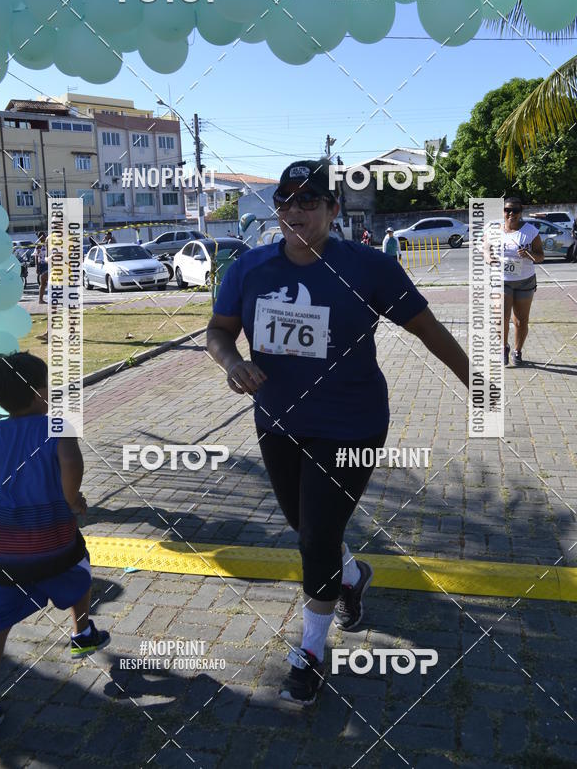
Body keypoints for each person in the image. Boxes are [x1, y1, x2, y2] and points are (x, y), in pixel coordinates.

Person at [207, 158, 469, 706]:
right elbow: (219, 332)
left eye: (308, 200)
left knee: (316, 538)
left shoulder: (370, 267)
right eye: (285, 201)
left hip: (351, 423)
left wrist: (479, 384)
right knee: (305, 525)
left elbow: (428, 329)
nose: (295, 210)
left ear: (332, 208)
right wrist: (232, 363)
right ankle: (351, 576)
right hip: (278, 422)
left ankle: (309, 652)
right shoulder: (249, 269)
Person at [0, 353, 110, 733]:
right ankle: (82, 632)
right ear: (39, 391)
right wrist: (72, 500)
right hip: (53, 543)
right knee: (80, 564)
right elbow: (71, 461)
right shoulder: (57, 425)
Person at [487, 197, 544, 367]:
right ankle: (503, 347)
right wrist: (488, 258)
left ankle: (517, 351)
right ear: (502, 212)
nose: (511, 213)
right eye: (507, 210)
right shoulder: (493, 230)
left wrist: (529, 255)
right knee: (500, 319)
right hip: (501, 280)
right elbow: (485, 249)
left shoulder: (530, 231)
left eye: (515, 211)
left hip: (525, 280)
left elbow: (540, 257)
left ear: (521, 212)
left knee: (520, 321)